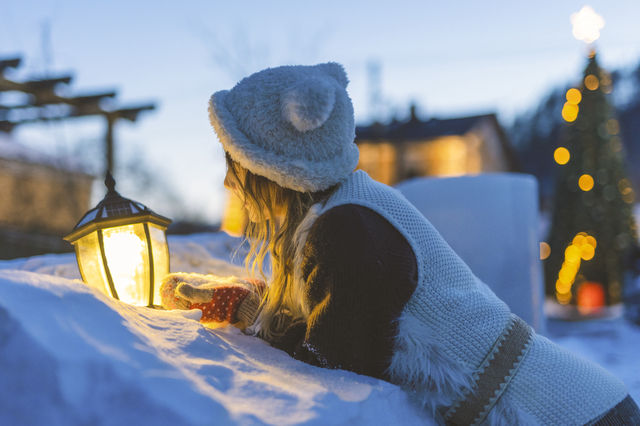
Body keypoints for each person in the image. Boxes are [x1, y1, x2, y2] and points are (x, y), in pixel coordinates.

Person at [160, 63, 640, 425]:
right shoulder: (352, 207)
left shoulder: (346, 232)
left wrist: (244, 310)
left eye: (236, 163)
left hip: (570, 414)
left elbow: (333, 362)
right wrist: (250, 300)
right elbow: (338, 319)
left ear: (274, 167)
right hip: (576, 401)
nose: (229, 183)